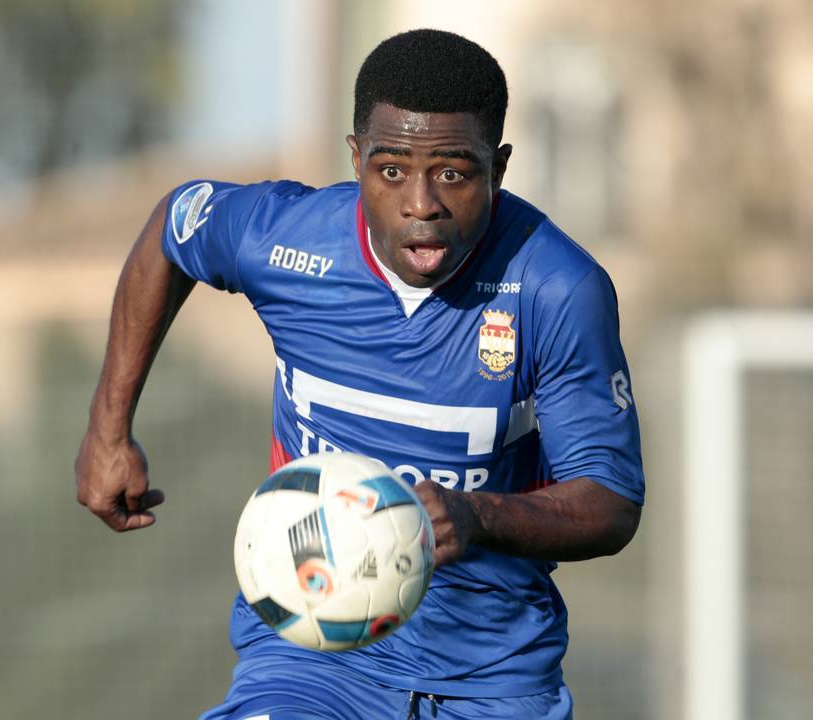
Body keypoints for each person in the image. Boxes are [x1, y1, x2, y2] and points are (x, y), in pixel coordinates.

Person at [74, 29, 644, 720]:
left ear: (498, 166)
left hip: (491, 676)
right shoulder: (285, 241)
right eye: (391, 170)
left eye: (454, 174)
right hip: (307, 653)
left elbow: (610, 503)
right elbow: (174, 229)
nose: (422, 203)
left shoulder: (557, 286)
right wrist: (108, 429)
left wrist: (477, 516)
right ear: (356, 158)